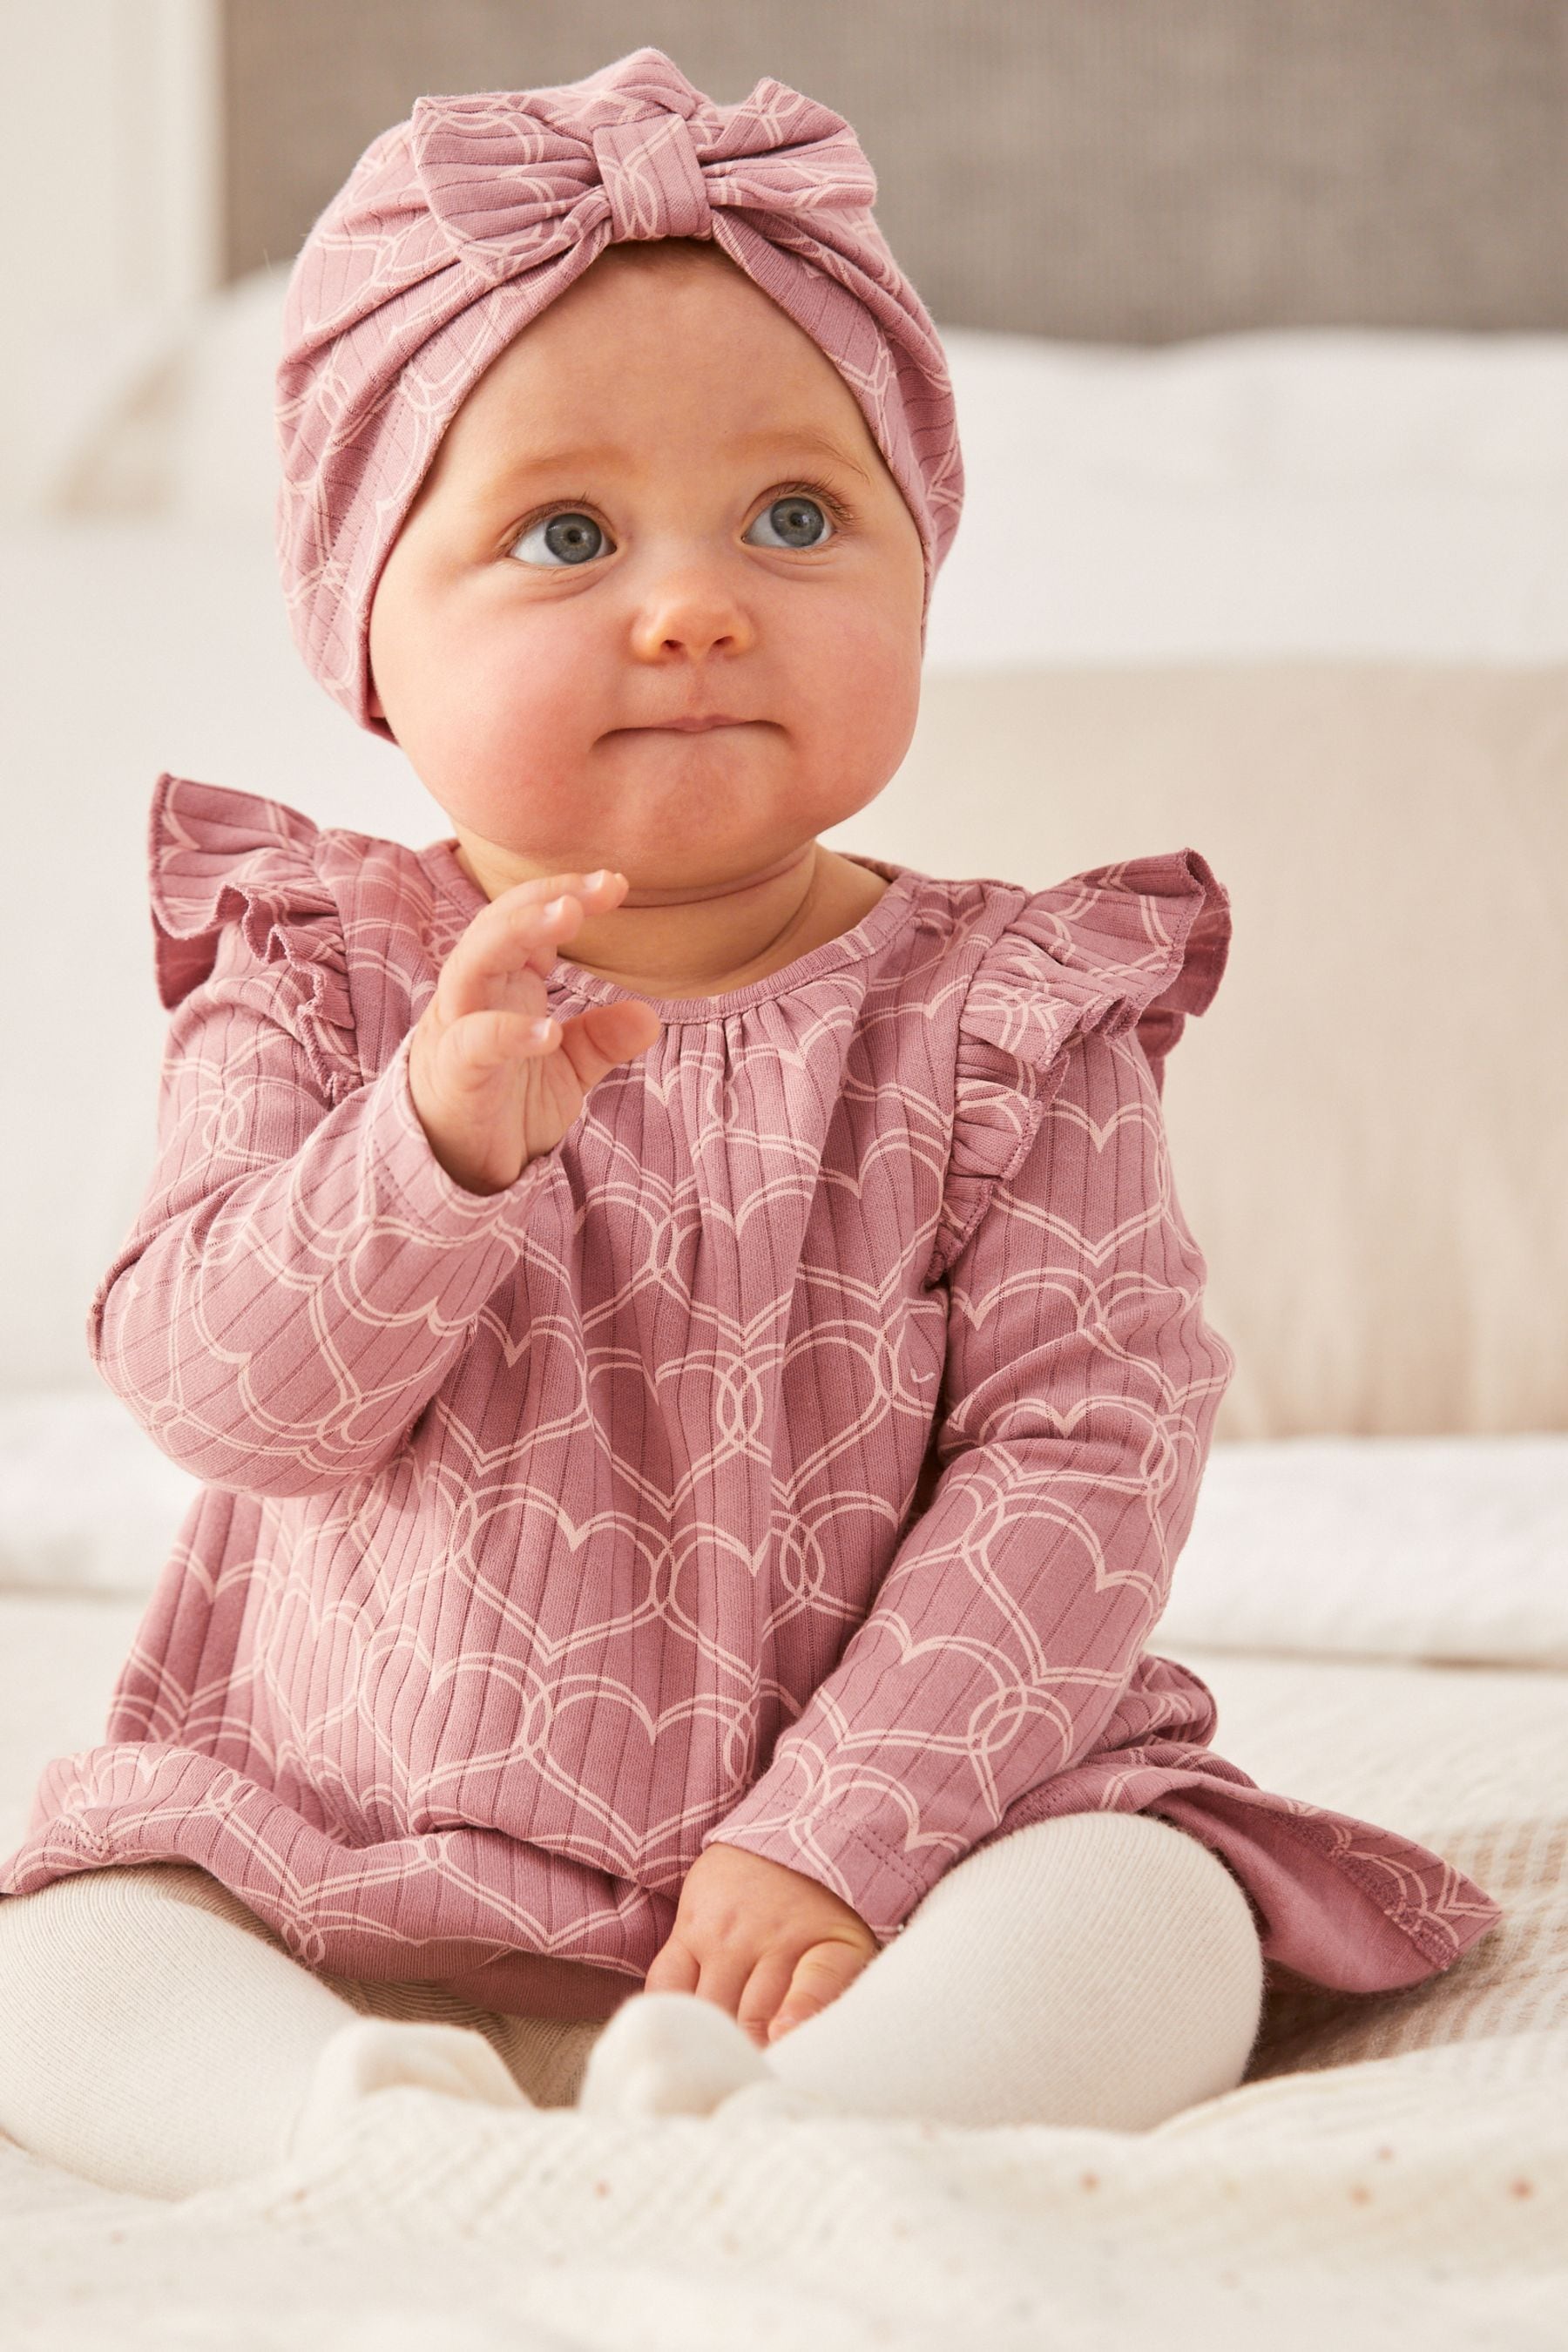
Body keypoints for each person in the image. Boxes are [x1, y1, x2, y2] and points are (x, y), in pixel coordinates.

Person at [0, 47, 1501, 2199]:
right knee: (60, 1949)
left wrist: (838, 1838)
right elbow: (220, 1395)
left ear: (918, 564)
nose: (695, 600)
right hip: (355, 1846)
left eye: (797, 518)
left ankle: (798, 2132)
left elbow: (1089, 1455)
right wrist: (429, 1148)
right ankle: (353, 2128)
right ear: (368, 637)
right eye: (566, 532)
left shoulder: (1015, 1019)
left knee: (1155, 1919)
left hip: (886, 1873)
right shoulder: (314, 976)